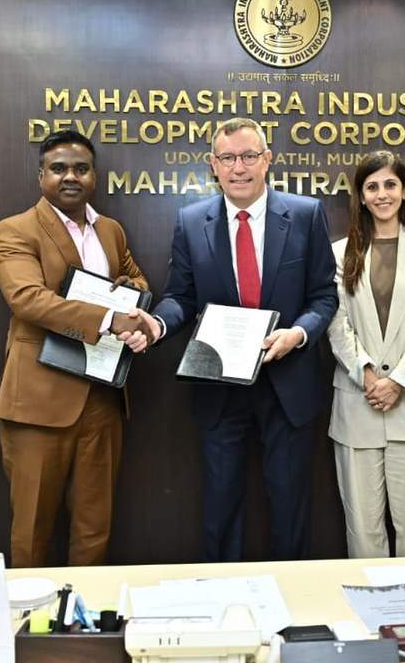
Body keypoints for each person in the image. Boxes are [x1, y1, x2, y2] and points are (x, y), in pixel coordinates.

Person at [134, 117, 337, 562]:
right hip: (219, 385)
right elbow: (181, 297)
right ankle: (222, 596)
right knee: (220, 508)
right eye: (227, 158)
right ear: (213, 164)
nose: (238, 167)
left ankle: (292, 595)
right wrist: (157, 326)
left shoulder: (306, 214)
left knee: (290, 508)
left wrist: (299, 334)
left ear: (267, 159)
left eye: (248, 156)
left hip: (287, 382)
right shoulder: (191, 221)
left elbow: (324, 295)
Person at [0, 129, 150, 567]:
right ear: (41, 176)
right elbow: (27, 299)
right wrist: (109, 318)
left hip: (102, 398)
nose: (70, 177)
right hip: (39, 402)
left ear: (94, 176)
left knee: (95, 528)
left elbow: (137, 279)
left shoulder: (110, 230)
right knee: (32, 529)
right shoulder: (15, 229)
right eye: (58, 168)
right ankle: (30, 612)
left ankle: (85, 610)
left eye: (81, 168)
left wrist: (130, 293)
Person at [327, 151, 405, 558]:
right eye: (372, 187)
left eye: (390, 185)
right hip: (357, 401)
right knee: (362, 531)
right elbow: (336, 323)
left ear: (404, 190)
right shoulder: (340, 252)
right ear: (361, 196)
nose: (382, 194)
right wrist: (365, 373)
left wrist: (398, 382)